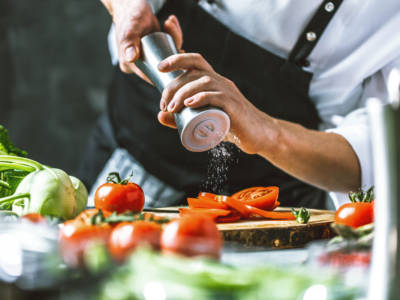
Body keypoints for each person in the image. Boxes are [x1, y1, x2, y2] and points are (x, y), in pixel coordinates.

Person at [79, 0, 400, 209]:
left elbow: (379, 153)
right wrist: (128, 7)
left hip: (264, 209)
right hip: (130, 170)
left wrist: (266, 132)